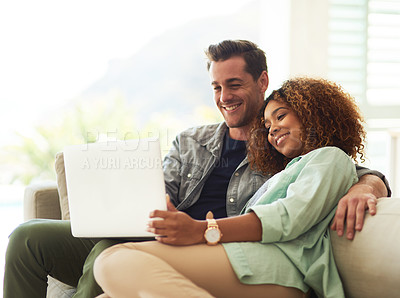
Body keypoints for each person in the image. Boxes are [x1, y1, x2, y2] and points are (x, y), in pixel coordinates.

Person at [3, 40, 389, 298]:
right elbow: (160, 188)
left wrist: (369, 184)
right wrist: (149, 202)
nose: (224, 97)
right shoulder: (192, 139)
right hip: (162, 232)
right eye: (216, 87)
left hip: (213, 246)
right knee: (28, 237)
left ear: (262, 81)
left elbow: (335, 165)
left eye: (234, 84)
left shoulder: (287, 150)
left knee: (112, 250)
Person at [94, 77, 371, 298]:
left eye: (281, 116)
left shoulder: (330, 157)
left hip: (280, 270)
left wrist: (201, 230)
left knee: (112, 260)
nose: (272, 129)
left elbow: (287, 219)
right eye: (267, 124)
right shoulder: (286, 171)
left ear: (312, 113)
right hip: (246, 259)